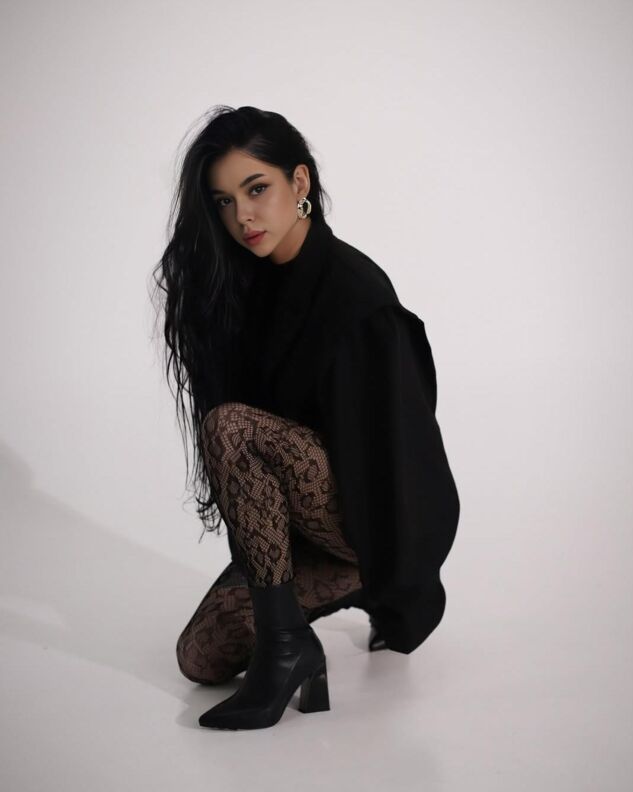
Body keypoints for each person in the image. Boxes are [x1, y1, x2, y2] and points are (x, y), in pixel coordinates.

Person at [150, 105, 460, 731]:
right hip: (301, 529)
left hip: (372, 525)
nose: (242, 216)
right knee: (199, 659)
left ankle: (293, 642)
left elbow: (404, 458)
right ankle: (295, 633)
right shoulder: (243, 286)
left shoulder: (357, 296)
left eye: (256, 189)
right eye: (223, 201)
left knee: (231, 426)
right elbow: (248, 478)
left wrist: (401, 577)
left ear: (300, 182)